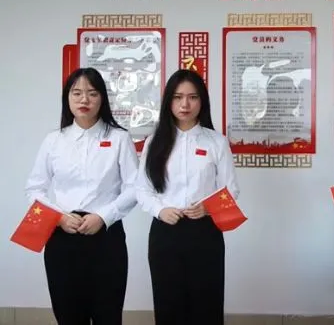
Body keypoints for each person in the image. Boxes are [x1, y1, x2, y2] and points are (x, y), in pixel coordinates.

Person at [25, 67, 139, 325]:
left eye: (92, 93)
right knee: (68, 315)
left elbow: (135, 188)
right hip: (62, 237)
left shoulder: (119, 138)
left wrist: (103, 217)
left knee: (108, 315)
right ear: (67, 98)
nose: (84, 99)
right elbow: (34, 188)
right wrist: (58, 217)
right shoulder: (54, 140)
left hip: (106, 237)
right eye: (76, 93)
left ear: (102, 99)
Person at [135, 69, 239, 325]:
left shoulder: (216, 142)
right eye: (178, 97)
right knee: (168, 304)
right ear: (168, 101)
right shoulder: (154, 142)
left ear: (202, 101)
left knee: (206, 305)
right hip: (165, 232)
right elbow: (142, 189)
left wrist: (208, 207)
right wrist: (161, 210)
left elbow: (231, 190)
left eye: (192, 97)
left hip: (204, 232)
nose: (185, 104)